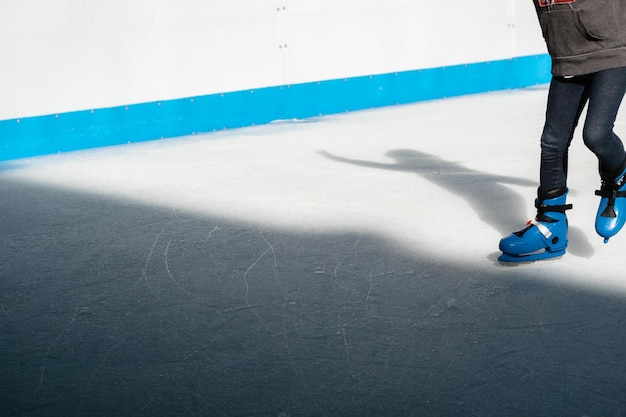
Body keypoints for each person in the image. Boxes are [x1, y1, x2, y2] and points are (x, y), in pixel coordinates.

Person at [499, 0, 626, 262]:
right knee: (552, 142)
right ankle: (551, 224)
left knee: (596, 134)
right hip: (566, 49)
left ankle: (619, 177)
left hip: (614, 46)